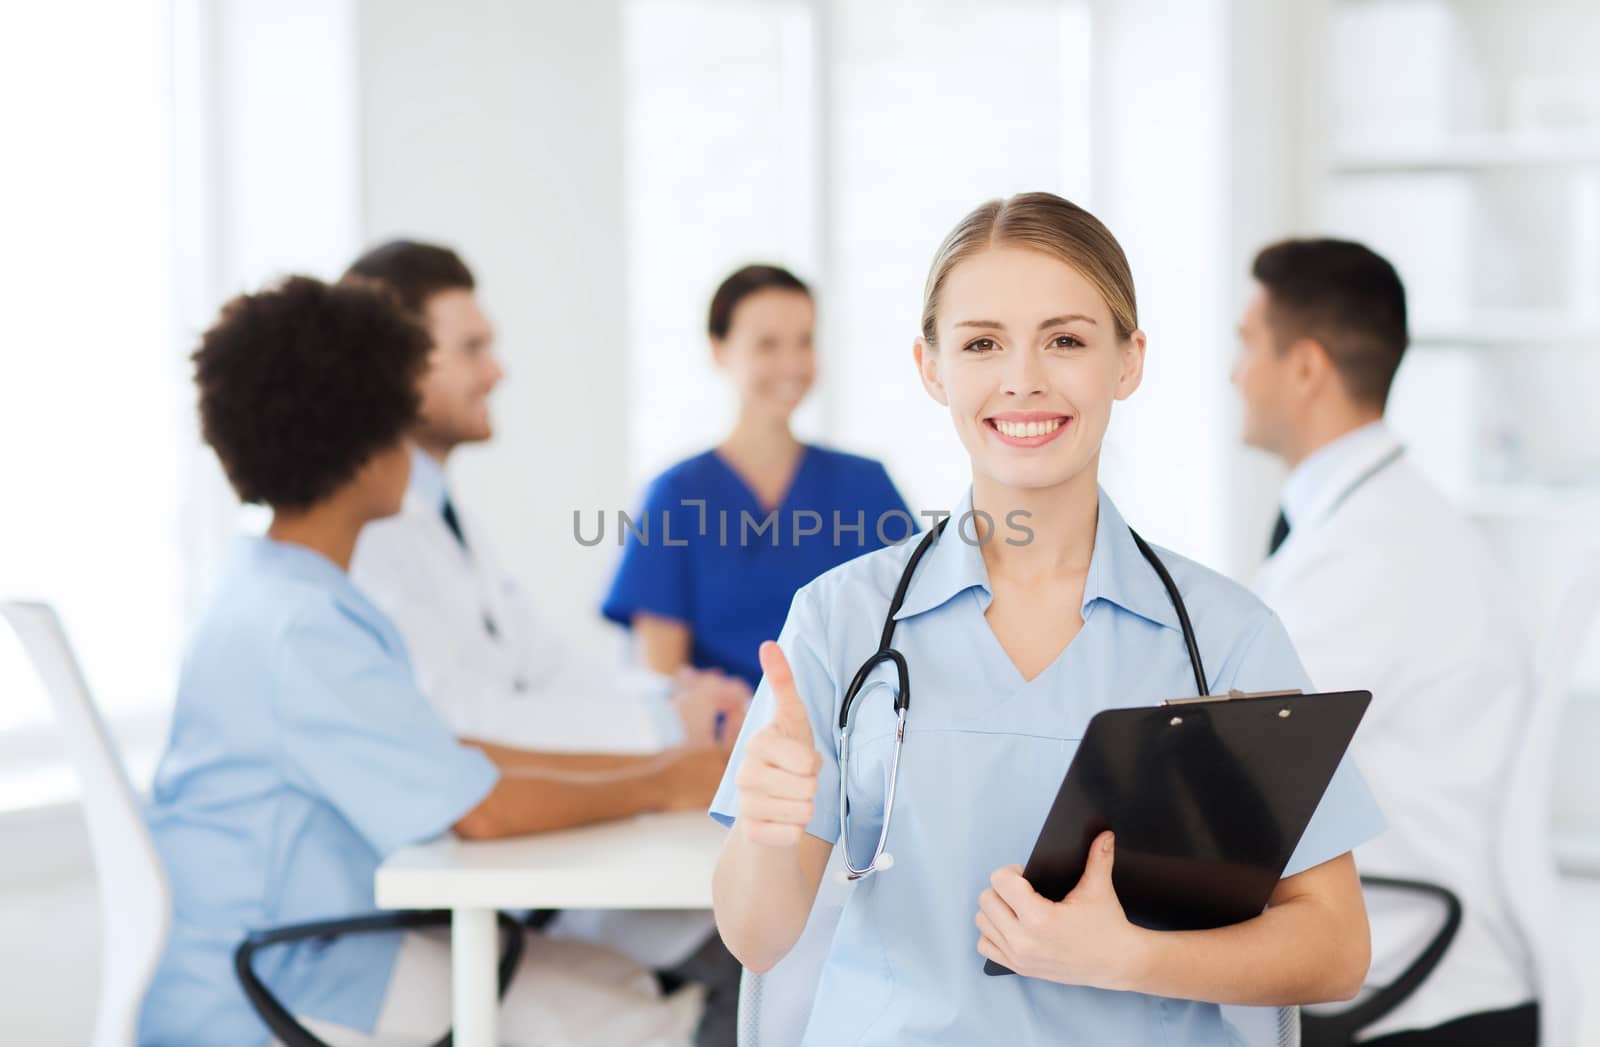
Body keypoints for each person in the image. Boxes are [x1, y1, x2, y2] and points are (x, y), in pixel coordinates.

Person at [708, 193, 1385, 1045]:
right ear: (931, 367)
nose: (1022, 377)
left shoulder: (1226, 636)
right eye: (982, 343)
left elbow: (1336, 944)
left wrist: (1127, 956)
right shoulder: (841, 620)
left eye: (1065, 340)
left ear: (1128, 361)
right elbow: (758, 938)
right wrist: (769, 834)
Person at [139, 275, 723, 1047]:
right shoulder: (304, 628)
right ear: (365, 447)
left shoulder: (277, 591)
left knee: (629, 980)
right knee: (664, 1017)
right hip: (291, 980)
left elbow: (448, 758)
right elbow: (477, 807)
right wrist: (664, 779)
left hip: (306, 947)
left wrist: (667, 771)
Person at [343, 240, 748, 1046]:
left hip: (521, 871)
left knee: (759, 942)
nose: (497, 371)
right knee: (742, 966)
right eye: (471, 349)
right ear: (393, 366)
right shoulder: (371, 538)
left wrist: (672, 701)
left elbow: (545, 666)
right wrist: (669, 737)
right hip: (451, 900)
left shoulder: (444, 514)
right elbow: (469, 717)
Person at [1232, 237, 1537, 1046]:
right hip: (1420, 983)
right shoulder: (1371, 524)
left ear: (1306, 368)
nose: (1234, 374)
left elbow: (1242, 764)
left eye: (1247, 344)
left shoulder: (1376, 553)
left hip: (1420, 1005)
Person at [602, 264, 913, 690]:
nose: (791, 363)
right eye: (767, 344)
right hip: (726, 749)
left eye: (804, 341)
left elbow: (917, 631)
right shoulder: (676, 496)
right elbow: (663, 687)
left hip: (856, 738)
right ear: (718, 349)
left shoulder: (866, 485)